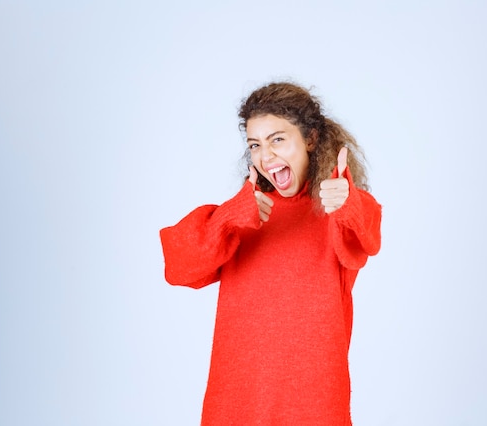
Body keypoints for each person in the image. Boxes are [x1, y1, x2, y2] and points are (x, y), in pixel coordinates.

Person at [159, 81, 382, 425]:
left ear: (310, 139)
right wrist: (229, 218)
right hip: (237, 404)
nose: (265, 156)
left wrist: (347, 201)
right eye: (255, 145)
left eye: (278, 139)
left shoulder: (337, 209)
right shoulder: (245, 214)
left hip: (314, 405)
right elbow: (178, 267)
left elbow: (367, 234)